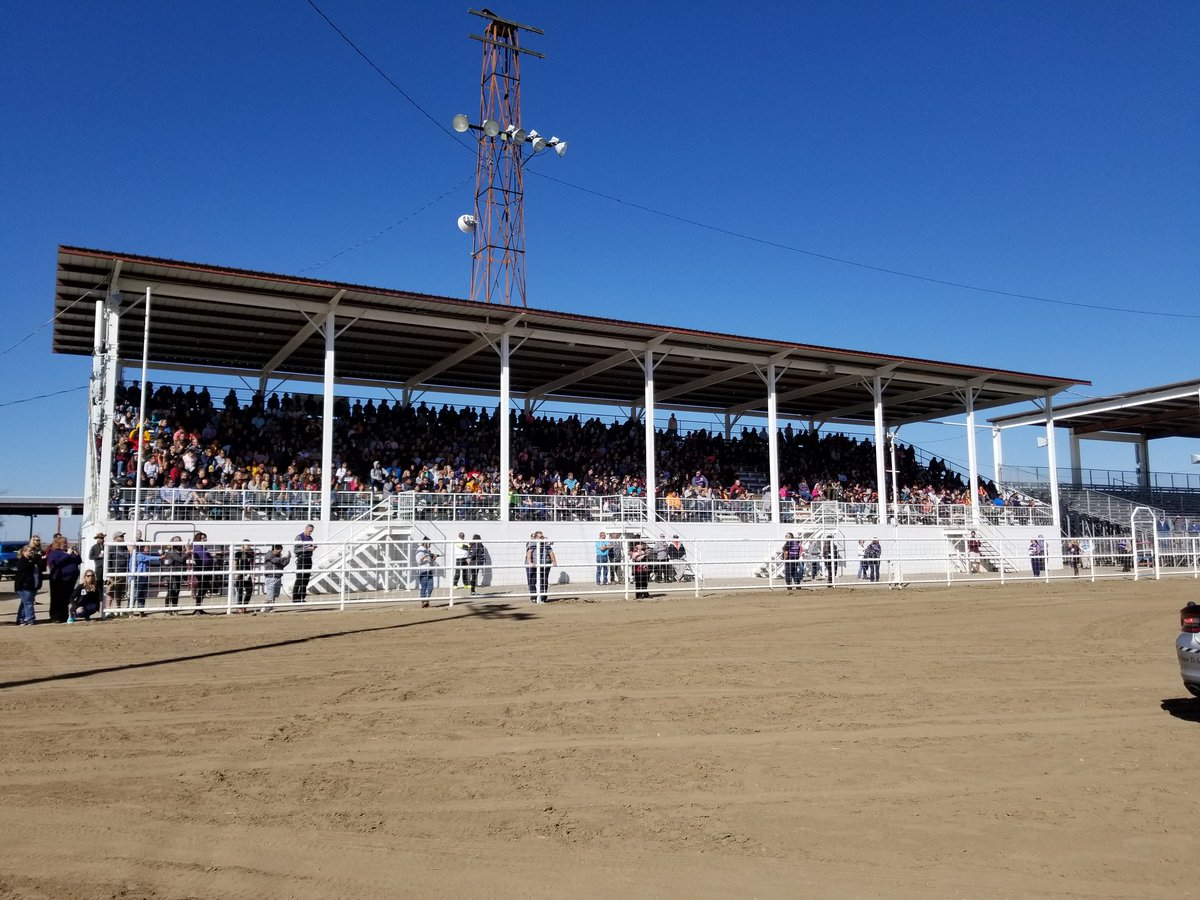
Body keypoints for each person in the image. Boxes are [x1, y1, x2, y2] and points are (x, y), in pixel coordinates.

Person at [47, 536, 83, 623]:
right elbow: (56, 562)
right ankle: (55, 617)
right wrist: (67, 554)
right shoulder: (55, 553)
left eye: (66, 542)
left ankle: (64, 616)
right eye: (64, 543)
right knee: (57, 599)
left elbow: (78, 561)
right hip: (59, 580)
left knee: (66, 599)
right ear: (58, 544)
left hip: (70, 580)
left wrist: (77, 553)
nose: (66, 544)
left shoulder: (69, 552)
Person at [525, 530, 556, 603]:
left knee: (544, 581)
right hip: (533, 565)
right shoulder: (531, 543)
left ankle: (543, 597)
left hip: (544, 564)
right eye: (540, 537)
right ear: (535, 537)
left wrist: (554, 561)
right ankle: (534, 597)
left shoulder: (546, 544)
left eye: (542, 537)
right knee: (532, 581)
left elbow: (551, 552)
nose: (542, 538)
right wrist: (530, 562)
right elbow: (529, 553)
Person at [260, 544, 291, 612]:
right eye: (278, 550)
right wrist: (285, 557)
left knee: (274, 595)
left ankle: (270, 608)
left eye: (280, 550)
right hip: (271, 576)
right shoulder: (269, 555)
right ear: (274, 549)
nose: (280, 552)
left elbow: (283, 564)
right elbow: (275, 560)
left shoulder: (279, 557)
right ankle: (264, 607)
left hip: (278, 576)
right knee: (270, 595)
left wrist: (288, 559)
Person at [14, 544, 38, 625]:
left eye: (32, 550)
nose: (31, 552)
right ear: (24, 552)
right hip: (24, 585)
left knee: (24, 603)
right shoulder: (21, 561)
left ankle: (20, 619)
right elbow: (23, 568)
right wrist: (33, 562)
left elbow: (41, 567)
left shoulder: (32, 560)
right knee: (28, 603)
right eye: (29, 551)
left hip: (32, 584)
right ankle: (30, 619)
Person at [159, 537, 186, 612]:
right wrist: (186, 554)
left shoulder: (177, 552)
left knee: (176, 592)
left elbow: (182, 564)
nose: (180, 543)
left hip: (177, 574)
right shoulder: (173, 552)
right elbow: (181, 560)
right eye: (178, 541)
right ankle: (168, 609)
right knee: (171, 591)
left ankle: (174, 608)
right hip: (172, 575)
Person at [190, 533, 214, 613]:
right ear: (198, 539)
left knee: (203, 588)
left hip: (204, 570)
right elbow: (205, 560)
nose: (205, 539)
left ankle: (198, 608)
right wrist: (212, 558)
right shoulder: (198, 547)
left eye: (205, 538)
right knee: (203, 588)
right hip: (201, 570)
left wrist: (210, 557)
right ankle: (198, 608)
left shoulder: (202, 548)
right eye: (203, 538)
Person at [293, 524, 315, 603]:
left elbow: (311, 548)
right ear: (305, 529)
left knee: (306, 579)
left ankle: (302, 597)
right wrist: (307, 548)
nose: (310, 533)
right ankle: (295, 598)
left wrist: (312, 548)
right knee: (299, 578)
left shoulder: (311, 538)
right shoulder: (299, 537)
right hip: (301, 559)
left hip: (308, 558)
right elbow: (295, 550)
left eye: (311, 531)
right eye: (309, 531)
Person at [108, 530, 130, 609]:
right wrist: (110, 573)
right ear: (115, 538)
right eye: (121, 536)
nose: (123, 538)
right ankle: (108, 610)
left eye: (123, 536)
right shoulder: (111, 547)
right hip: (115, 573)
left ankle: (118, 608)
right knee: (110, 592)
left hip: (123, 573)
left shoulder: (124, 546)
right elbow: (108, 560)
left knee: (119, 592)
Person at [234, 540, 256, 610]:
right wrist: (236, 573)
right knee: (239, 590)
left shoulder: (251, 553)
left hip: (248, 574)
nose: (249, 546)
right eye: (247, 545)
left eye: (250, 545)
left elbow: (253, 564)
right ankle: (240, 607)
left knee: (249, 590)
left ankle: (245, 605)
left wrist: (253, 574)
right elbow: (235, 563)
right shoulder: (238, 553)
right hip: (240, 573)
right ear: (243, 545)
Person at [415, 538, 437, 607]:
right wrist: (424, 557)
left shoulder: (427, 550)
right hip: (423, 571)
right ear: (425, 543)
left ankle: (426, 600)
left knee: (430, 587)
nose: (430, 544)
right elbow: (418, 561)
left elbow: (429, 561)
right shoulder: (420, 550)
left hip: (429, 570)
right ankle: (424, 602)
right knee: (424, 587)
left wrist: (433, 558)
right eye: (429, 543)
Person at [88, 532, 107, 605]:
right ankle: (97, 596)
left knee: (104, 582)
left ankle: (103, 596)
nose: (101, 539)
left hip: (105, 566)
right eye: (100, 538)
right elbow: (90, 557)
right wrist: (98, 556)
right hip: (99, 567)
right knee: (98, 582)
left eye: (102, 538)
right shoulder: (94, 547)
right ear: (97, 539)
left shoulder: (105, 546)